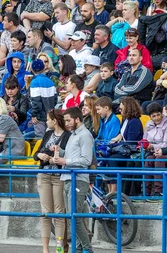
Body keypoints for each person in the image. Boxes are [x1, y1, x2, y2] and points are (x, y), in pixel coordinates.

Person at [50, 106, 94, 253]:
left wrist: (65, 161)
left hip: (79, 179)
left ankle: (87, 248)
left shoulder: (85, 135)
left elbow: (86, 160)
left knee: (74, 217)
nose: (66, 123)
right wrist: (59, 151)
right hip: (69, 177)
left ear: (77, 119)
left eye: (68, 120)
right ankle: (80, 248)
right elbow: (72, 154)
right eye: (65, 120)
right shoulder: (73, 134)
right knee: (72, 217)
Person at [33, 108, 71, 253]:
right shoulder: (48, 134)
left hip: (59, 176)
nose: (46, 122)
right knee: (46, 213)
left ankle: (59, 247)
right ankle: (45, 249)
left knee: (60, 213)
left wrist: (49, 154)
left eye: (48, 119)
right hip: (44, 174)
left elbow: (65, 154)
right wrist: (41, 155)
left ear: (54, 121)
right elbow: (37, 153)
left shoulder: (68, 136)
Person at [29, 59, 58, 138]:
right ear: (43, 68)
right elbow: (55, 100)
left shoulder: (34, 82)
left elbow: (36, 102)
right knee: (49, 138)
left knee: (40, 139)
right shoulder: (50, 81)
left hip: (39, 117)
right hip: (50, 116)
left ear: (32, 69)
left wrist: (34, 115)